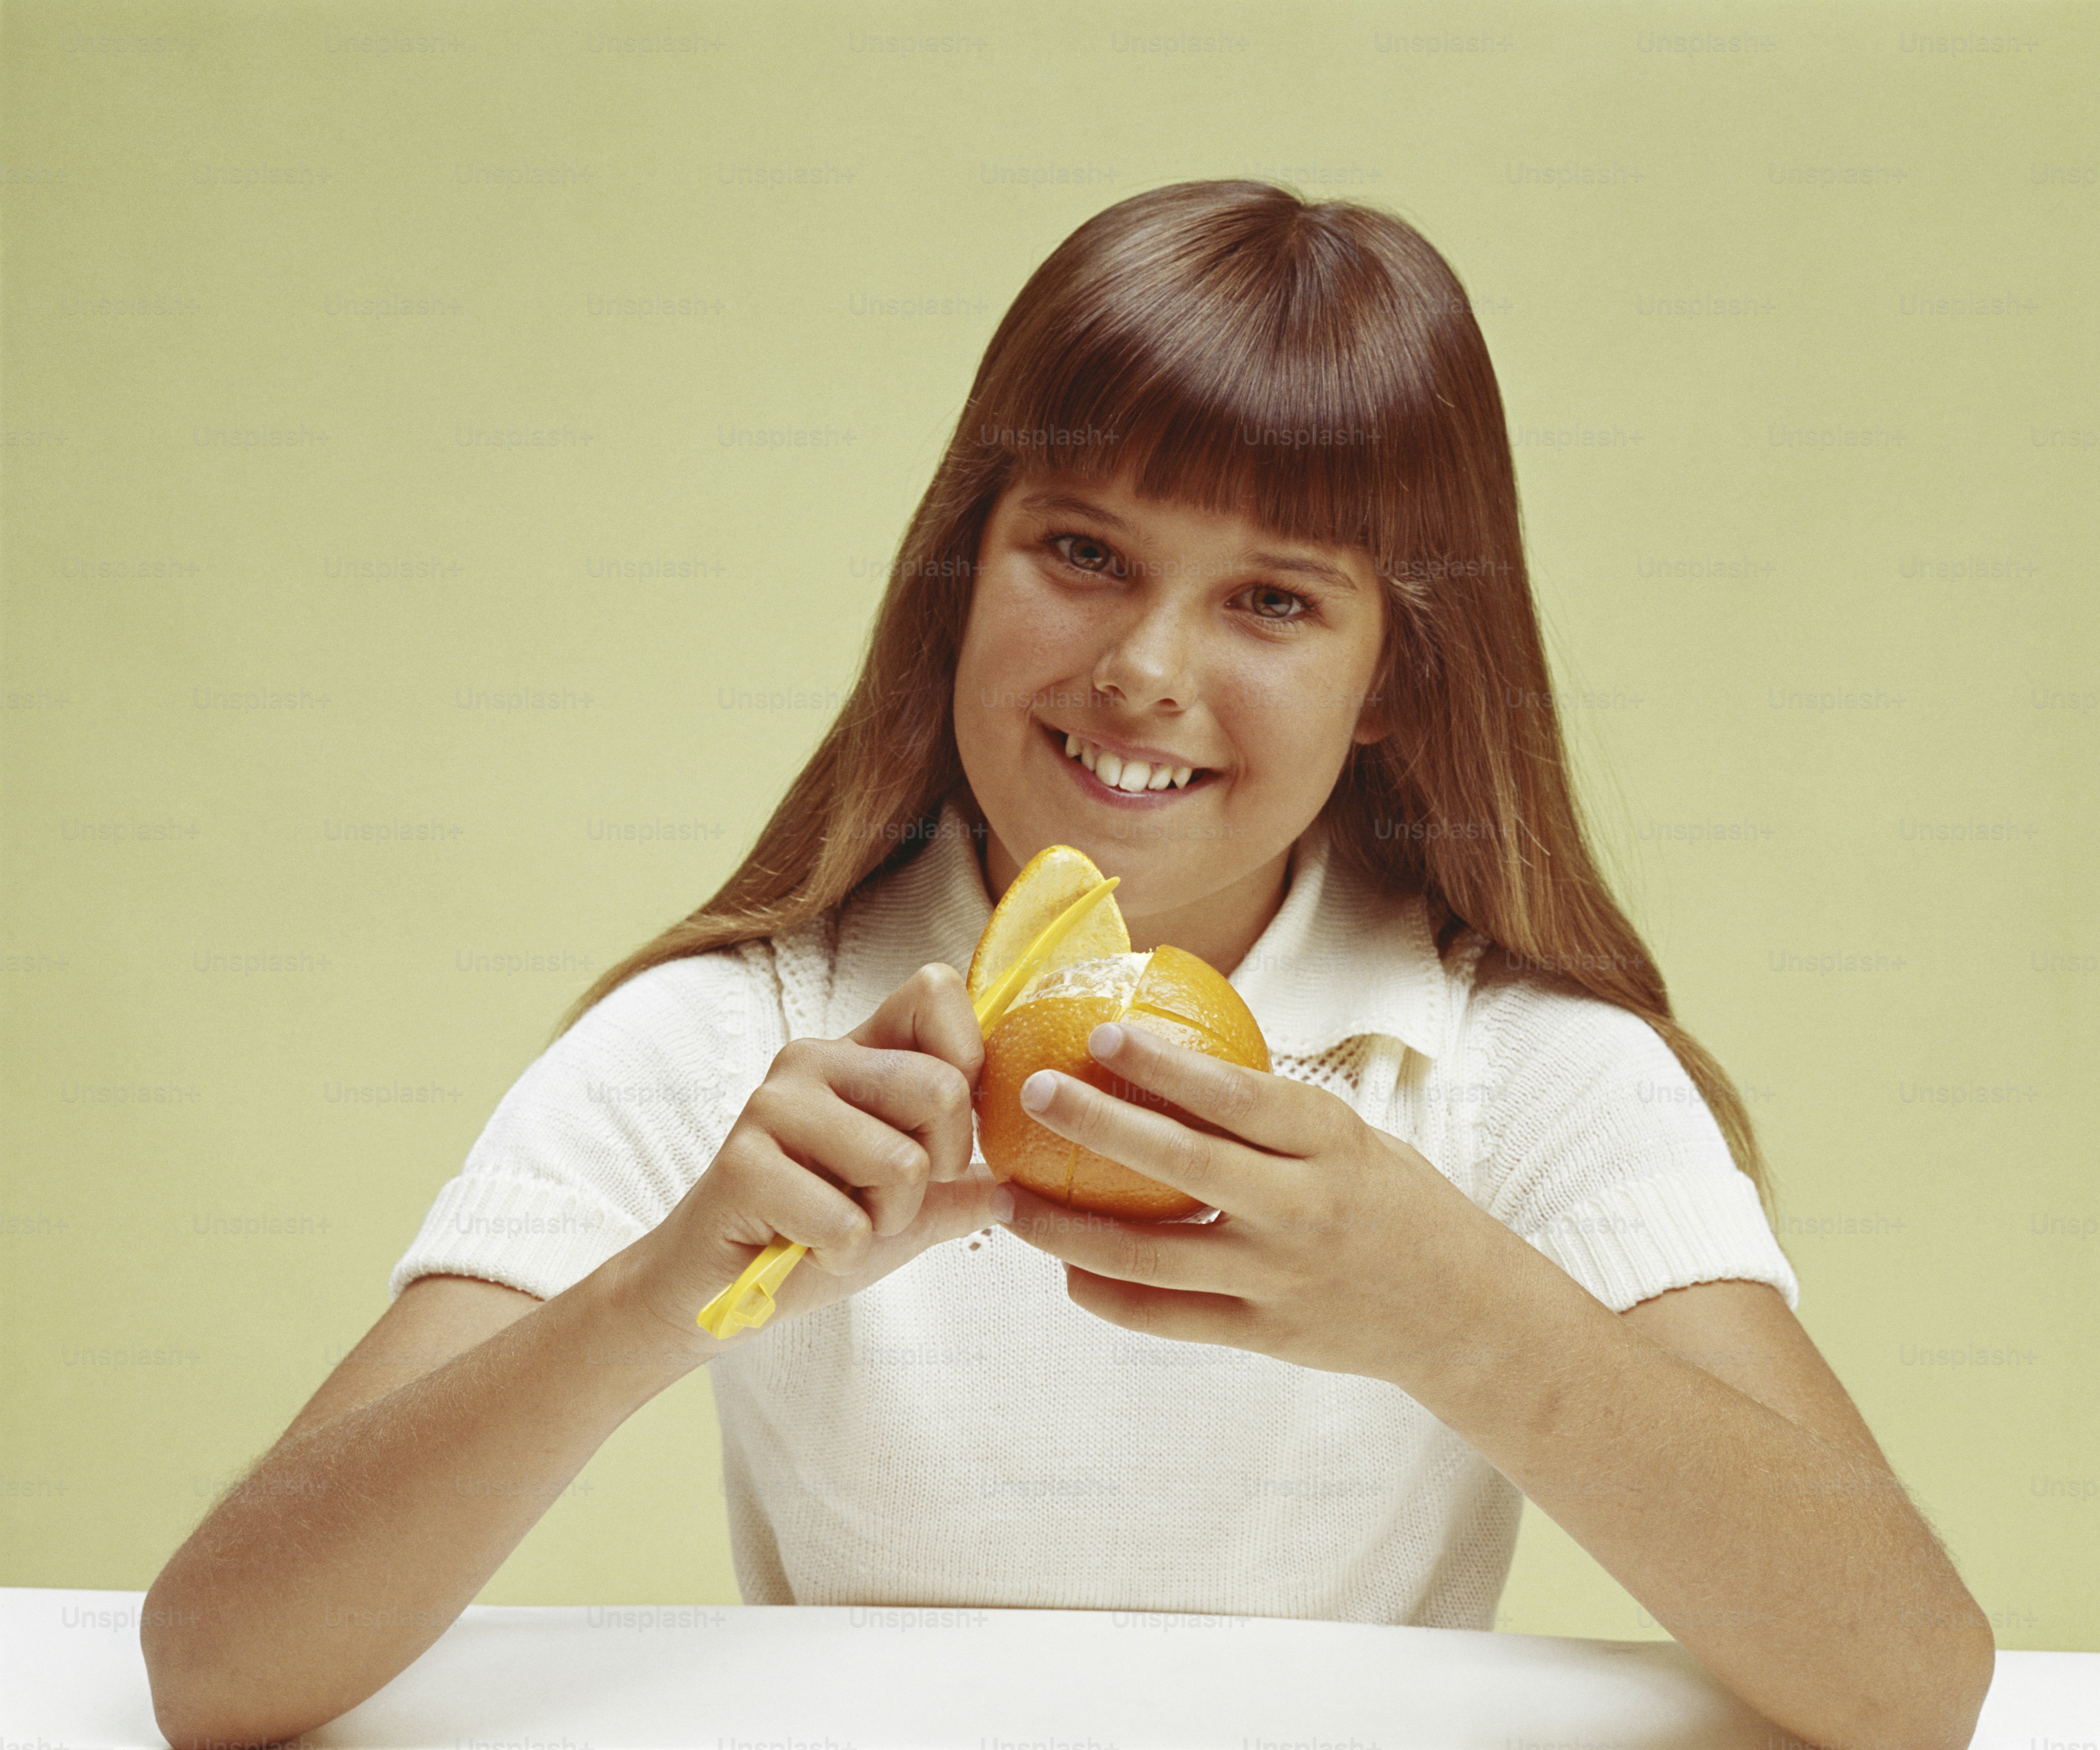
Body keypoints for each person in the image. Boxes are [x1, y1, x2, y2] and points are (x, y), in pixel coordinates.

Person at [142, 179, 1994, 1749]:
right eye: (1084, 552)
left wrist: (1463, 1312)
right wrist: (653, 1297)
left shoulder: (1520, 1075)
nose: (1147, 670)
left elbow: (1910, 1679)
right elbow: (218, 1665)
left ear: (1392, 681)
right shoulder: (752, 1043)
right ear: (967, 565)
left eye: (1274, 597)